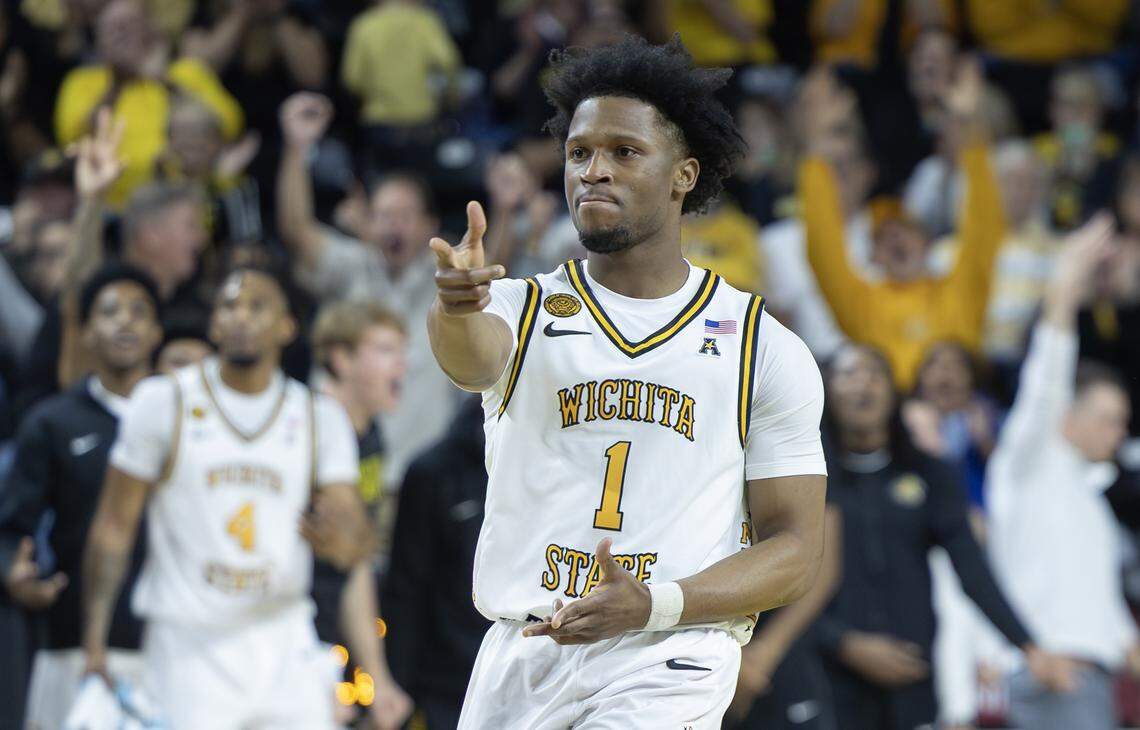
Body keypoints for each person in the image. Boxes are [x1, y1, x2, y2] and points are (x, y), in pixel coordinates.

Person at [427, 36, 828, 728]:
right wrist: (457, 305)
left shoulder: (763, 346)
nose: (594, 172)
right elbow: (469, 358)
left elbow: (795, 552)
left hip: (668, 652)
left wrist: (656, 602)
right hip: (523, 651)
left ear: (683, 175)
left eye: (624, 152)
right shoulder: (521, 310)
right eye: (579, 153)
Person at [79, 266, 377, 728]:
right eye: (228, 306)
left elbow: (354, 538)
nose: (240, 317)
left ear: (286, 326)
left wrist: (344, 538)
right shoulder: (162, 402)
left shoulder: (320, 416)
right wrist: (94, 641)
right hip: (188, 643)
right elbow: (113, 527)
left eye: (257, 307)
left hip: (284, 635)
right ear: (213, 324)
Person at [817, 342, 1066, 730]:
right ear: (825, 391)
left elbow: (971, 568)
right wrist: (842, 643)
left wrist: (1027, 644)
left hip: (912, 677)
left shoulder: (931, 474)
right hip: (827, 677)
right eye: (848, 374)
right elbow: (789, 582)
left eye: (874, 374)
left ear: (894, 392)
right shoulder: (806, 479)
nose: (862, 384)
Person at [987, 214, 1140, 730]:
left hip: (1092, 685)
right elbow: (1046, 380)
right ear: (1069, 416)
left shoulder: (1091, 499)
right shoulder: (1030, 461)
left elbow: (1100, 609)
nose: (1119, 433)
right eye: (1108, 419)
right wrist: (1065, 288)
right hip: (1050, 678)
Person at [0, 264, 161, 730]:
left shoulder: (185, 420)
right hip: (70, 647)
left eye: (139, 311)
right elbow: (11, 530)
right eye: (109, 312)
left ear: (156, 332)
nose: (125, 322)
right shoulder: (53, 423)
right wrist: (15, 574)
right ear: (87, 333)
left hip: (172, 644)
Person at [277, 91, 458, 481]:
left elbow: (492, 266)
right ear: (368, 221)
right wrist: (297, 148)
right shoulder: (351, 265)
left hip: (418, 478)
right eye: (384, 216)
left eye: (405, 216)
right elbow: (296, 230)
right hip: (337, 470)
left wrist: (507, 212)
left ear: (430, 224)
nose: (394, 226)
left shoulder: (448, 275)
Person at [799, 60, 1006, 390]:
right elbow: (823, 251)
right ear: (873, 258)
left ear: (927, 244)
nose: (895, 241)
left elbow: (984, 227)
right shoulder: (863, 304)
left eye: (904, 232)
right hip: (897, 418)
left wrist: (969, 129)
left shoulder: (961, 290)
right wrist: (817, 156)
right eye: (883, 239)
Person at [309, 300, 413, 728]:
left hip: (331, 630)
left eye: (403, 352)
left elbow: (355, 561)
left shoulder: (370, 437)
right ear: (341, 358)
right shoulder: (305, 427)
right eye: (387, 350)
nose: (402, 367)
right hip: (288, 637)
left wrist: (377, 675)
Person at [53, 0, 244, 208]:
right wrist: (116, 85)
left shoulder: (185, 73)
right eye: (112, 29)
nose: (121, 36)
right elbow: (71, 138)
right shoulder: (82, 81)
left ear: (149, 28)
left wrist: (163, 79)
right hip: (117, 209)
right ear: (99, 38)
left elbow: (229, 123)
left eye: (128, 26)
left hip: (190, 196)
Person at [383, 396, 493, 729]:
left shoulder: (548, 468)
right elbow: (405, 589)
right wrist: (399, 687)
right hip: (445, 689)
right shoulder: (432, 472)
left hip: (526, 676)